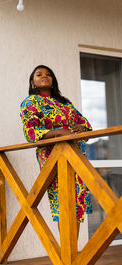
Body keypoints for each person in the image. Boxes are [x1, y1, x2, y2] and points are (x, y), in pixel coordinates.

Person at [20, 65, 92, 234]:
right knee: (63, 202)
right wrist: (58, 132)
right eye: (39, 74)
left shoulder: (65, 102)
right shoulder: (30, 102)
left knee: (77, 203)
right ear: (32, 82)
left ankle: (72, 255)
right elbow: (31, 132)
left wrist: (81, 128)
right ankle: (68, 257)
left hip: (76, 154)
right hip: (53, 156)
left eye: (48, 74)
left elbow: (86, 124)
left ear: (53, 82)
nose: (44, 76)